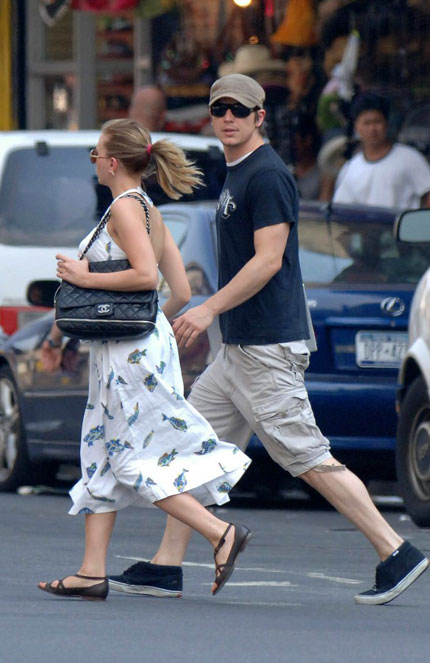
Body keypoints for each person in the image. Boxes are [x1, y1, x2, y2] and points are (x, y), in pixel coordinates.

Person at [109, 74, 429, 606]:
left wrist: (207, 307)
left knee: (304, 454)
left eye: (240, 109)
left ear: (260, 117)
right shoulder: (238, 173)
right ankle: (167, 565)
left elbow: (268, 260)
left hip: (265, 347)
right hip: (238, 351)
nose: (228, 117)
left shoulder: (267, 175)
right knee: (188, 445)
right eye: (219, 109)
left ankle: (396, 551)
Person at [37, 118, 253, 601]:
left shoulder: (124, 209)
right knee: (102, 454)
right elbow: (179, 292)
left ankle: (220, 533)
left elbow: (144, 276)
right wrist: (151, 325)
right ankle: (92, 570)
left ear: (113, 162)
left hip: (126, 356)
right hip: (136, 346)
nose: (93, 161)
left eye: (96, 154)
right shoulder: (150, 209)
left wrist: (85, 276)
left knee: (135, 458)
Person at [333, 92, 430, 208]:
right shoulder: (350, 168)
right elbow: (342, 210)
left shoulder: (410, 158)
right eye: (367, 123)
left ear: (386, 123)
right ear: (356, 127)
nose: (372, 129)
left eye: (377, 122)